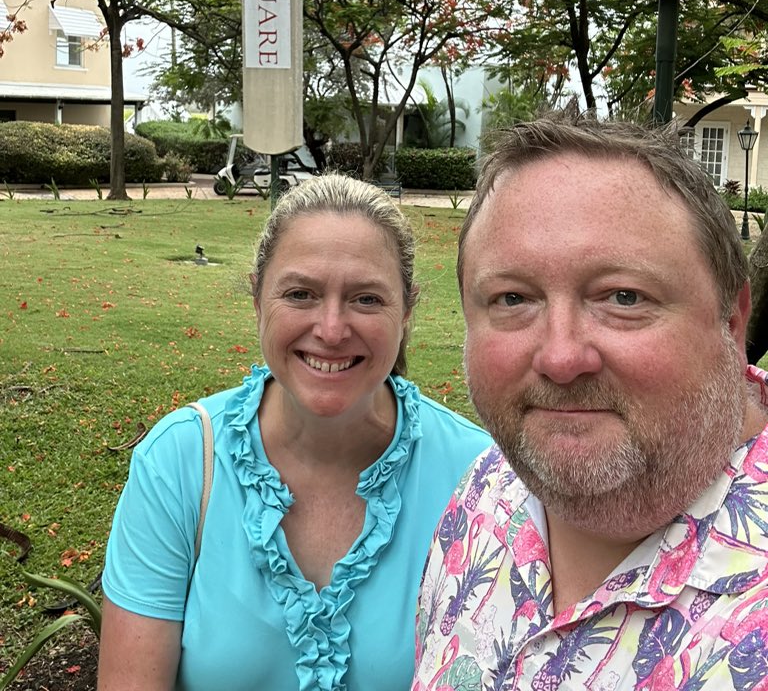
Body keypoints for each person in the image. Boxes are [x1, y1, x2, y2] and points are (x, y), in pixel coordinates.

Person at [411, 114, 768, 691]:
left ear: (731, 320)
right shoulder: (486, 489)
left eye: (623, 297)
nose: (560, 356)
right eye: (512, 298)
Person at [97, 173, 490, 691]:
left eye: (367, 299)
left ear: (407, 312)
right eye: (301, 293)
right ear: (258, 300)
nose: (331, 329)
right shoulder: (181, 463)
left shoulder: (477, 478)